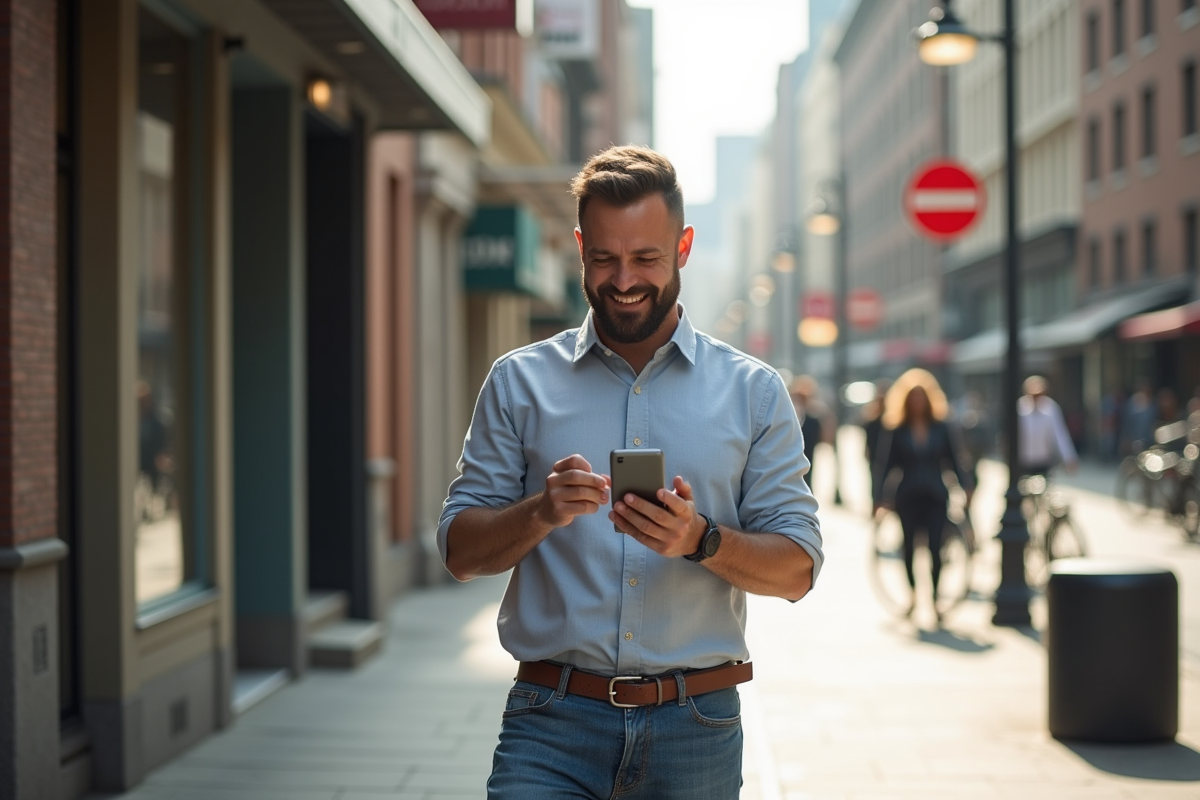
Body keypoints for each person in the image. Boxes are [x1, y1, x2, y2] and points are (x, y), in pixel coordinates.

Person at [438, 145, 823, 800]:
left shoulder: (754, 392)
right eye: (604, 258)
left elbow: (798, 571)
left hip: (697, 727)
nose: (623, 280)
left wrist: (700, 540)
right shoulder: (518, 382)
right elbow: (459, 553)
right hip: (551, 722)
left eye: (645, 257)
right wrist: (540, 512)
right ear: (579, 248)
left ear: (683, 247)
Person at [872, 369, 972, 621]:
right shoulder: (897, 429)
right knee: (908, 548)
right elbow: (884, 465)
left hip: (936, 496)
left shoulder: (942, 427)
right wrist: (878, 499)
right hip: (907, 497)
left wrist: (966, 486)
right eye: (913, 398)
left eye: (921, 397)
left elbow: (955, 460)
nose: (917, 402)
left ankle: (936, 598)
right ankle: (913, 594)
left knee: (936, 548)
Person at [1018, 375, 1078, 476]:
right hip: (1024, 461)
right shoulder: (1020, 408)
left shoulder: (1050, 408)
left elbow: (1060, 434)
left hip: (1044, 461)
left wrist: (1069, 457)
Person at [789, 375, 825, 492]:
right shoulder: (790, 415)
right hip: (794, 454)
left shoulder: (813, 418)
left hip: (807, 452)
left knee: (807, 476)